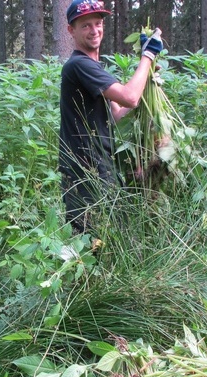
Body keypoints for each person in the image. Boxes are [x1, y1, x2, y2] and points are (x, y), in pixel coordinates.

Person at [59, 0, 163, 234]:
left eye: (98, 23)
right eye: (85, 25)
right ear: (71, 30)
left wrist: (146, 80)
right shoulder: (79, 65)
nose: (94, 30)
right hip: (85, 169)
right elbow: (130, 97)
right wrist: (147, 57)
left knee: (105, 237)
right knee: (89, 241)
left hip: (99, 164)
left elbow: (116, 113)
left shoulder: (93, 68)